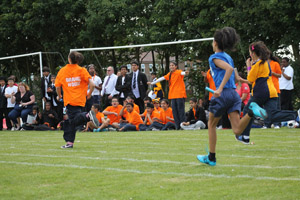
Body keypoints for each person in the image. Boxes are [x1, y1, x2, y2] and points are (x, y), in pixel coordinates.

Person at [196, 27, 269, 166]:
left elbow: (229, 70)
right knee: (237, 130)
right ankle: (251, 112)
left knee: (211, 125)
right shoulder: (228, 57)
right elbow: (234, 74)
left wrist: (220, 88)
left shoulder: (214, 57)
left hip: (222, 94)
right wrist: (241, 80)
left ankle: (211, 157)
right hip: (234, 95)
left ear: (216, 43)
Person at [236, 41, 299, 145]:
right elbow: (255, 79)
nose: (250, 55)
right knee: (271, 116)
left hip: (262, 92)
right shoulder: (264, 62)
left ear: (253, 53)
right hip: (271, 92)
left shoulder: (258, 64)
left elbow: (250, 79)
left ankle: (244, 136)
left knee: (248, 111)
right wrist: (244, 79)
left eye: (250, 53)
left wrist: (248, 66)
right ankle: (296, 115)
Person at [55, 51, 98, 148]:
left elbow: (57, 87)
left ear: (69, 59)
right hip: (81, 100)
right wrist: (89, 94)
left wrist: (59, 96)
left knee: (71, 120)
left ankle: (87, 115)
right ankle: (69, 143)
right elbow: (92, 84)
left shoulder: (62, 70)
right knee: (70, 121)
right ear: (78, 60)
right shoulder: (82, 70)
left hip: (70, 100)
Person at [148, 61, 188, 130]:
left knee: (180, 111)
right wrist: (152, 83)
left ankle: (183, 125)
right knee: (175, 111)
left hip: (180, 94)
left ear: (176, 66)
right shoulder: (169, 74)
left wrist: (186, 73)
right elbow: (161, 78)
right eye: (170, 65)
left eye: (173, 65)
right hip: (172, 95)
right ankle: (177, 126)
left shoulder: (178, 72)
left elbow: (183, 73)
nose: (171, 67)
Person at [263, 53, 282, 129]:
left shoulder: (275, 64)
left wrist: (272, 73)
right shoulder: (263, 64)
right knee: (266, 108)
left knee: (276, 108)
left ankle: (277, 123)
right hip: (265, 88)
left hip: (275, 88)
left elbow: (279, 75)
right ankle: (267, 124)